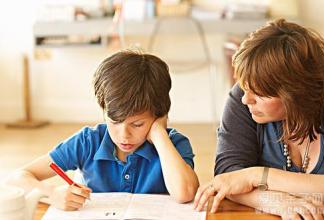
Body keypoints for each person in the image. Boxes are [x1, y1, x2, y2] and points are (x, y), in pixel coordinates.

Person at [6, 50, 199, 211]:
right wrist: (50, 193)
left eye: (137, 124)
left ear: (159, 115)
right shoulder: (88, 141)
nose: (124, 135)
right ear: (103, 109)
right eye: (114, 121)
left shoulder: (174, 144)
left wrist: (159, 135)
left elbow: (185, 193)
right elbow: (17, 177)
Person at [194, 19, 324, 219]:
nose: (246, 99)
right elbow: (228, 177)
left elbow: (240, 179)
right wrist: (276, 201)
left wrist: (256, 176)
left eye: (260, 93)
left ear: (295, 93)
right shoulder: (242, 98)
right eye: (245, 88)